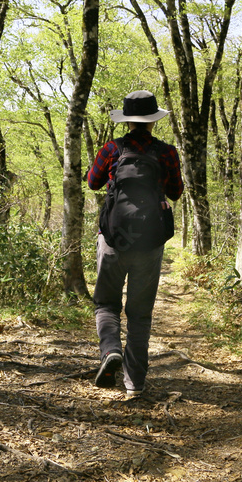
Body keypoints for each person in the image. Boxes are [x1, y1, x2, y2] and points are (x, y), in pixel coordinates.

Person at [86, 90, 183, 399]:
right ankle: (134, 384)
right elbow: (177, 191)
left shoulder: (112, 149)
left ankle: (110, 351)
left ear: (127, 120)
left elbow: (92, 182)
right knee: (140, 314)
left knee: (106, 304)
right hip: (150, 242)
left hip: (113, 239)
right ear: (153, 120)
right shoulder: (166, 153)